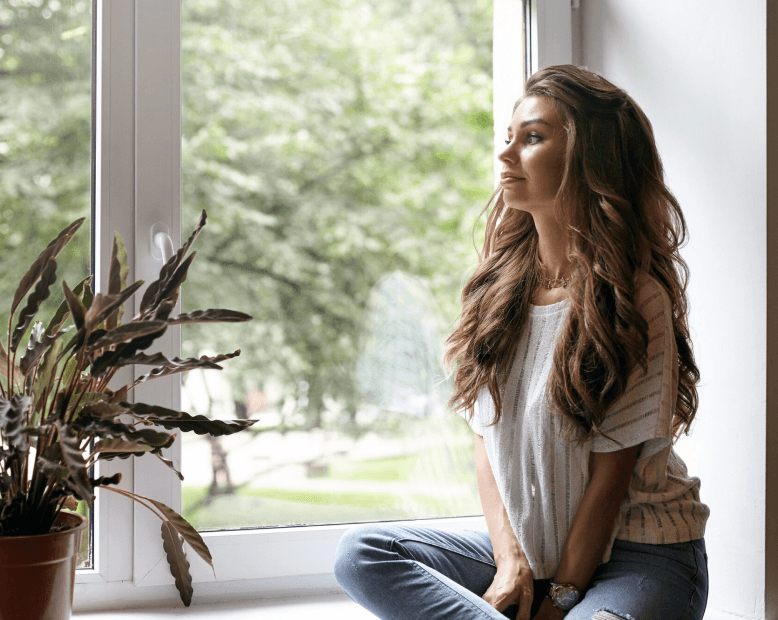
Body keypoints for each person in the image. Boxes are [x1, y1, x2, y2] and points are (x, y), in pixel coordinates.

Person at [333, 64, 710, 620]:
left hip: (641, 556)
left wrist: (560, 601)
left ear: (591, 159)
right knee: (362, 555)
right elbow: (487, 439)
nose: (506, 155)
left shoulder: (634, 297)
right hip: (532, 551)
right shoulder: (497, 287)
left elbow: (611, 483)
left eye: (532, 138)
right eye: (507, 138)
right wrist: (509, 563)